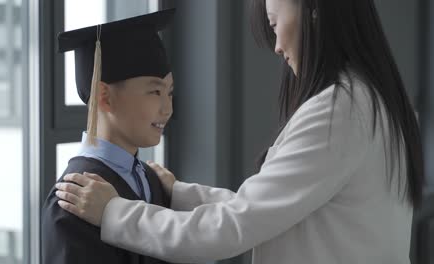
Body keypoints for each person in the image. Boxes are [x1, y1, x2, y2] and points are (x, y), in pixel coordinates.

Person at [54, 0, 425, 263]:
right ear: (104, 97)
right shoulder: (373, 102)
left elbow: (237, 225)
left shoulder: (340, 112)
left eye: (275, 24)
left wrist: (115, 213)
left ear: (314, 10)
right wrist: (179, 193)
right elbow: (270, 208)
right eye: (154, 91)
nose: (277, 46)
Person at [41, 9, 176, 264]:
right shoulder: (73, 199)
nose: (167, 109)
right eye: (154, 92)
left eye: (169, 92)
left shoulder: (152, 180)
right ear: (105, 97)